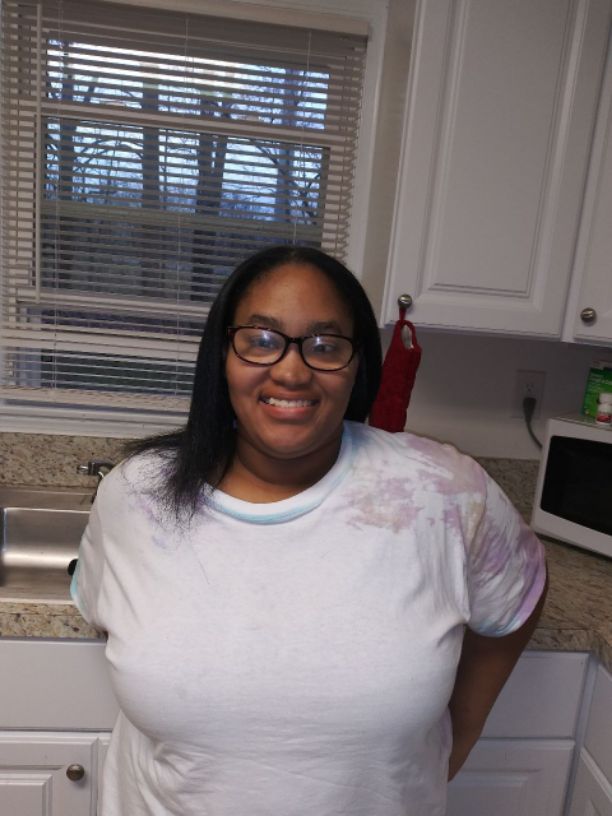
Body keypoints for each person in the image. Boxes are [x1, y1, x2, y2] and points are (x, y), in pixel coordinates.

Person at [71, 244, 547, 816]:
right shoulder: (135, 495)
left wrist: (459, 734)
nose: (292, 370)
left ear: (357, 365)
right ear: (222, 355)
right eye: (260, 339)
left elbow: (518, 595)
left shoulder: (443, 492)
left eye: (325, 345)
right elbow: (107, 614)